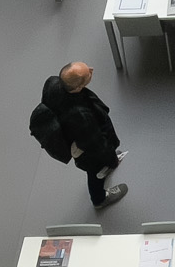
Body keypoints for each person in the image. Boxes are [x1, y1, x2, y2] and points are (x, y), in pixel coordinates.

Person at [37, 62, 127, 209]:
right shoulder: (81, 116)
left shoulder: (52, 83)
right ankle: (99, 199)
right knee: (96, 172)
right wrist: (111, 159)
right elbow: (96, 144)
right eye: (88, 74)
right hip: (88, 150)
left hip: (77, 136)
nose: (91, 69)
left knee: (99, 166)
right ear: (78, 87)